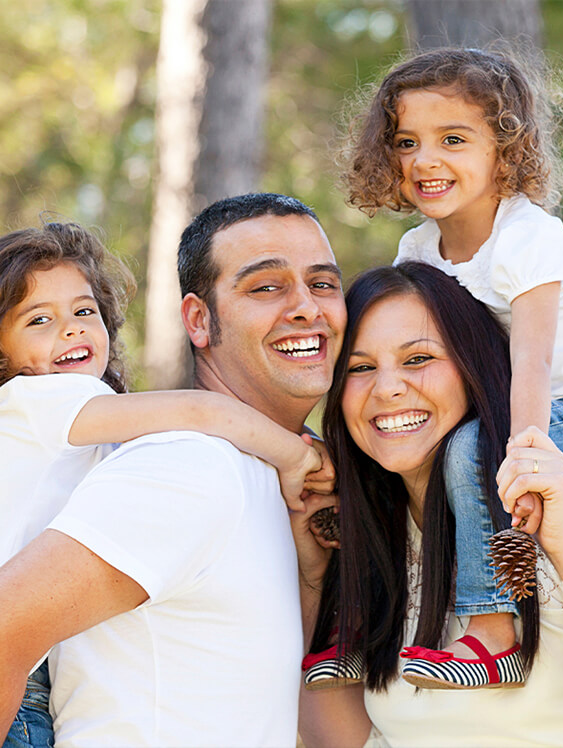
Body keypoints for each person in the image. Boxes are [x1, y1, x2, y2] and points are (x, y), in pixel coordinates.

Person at [0, 193, 346, 747]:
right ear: (198, 319)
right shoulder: (189, 466)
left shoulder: (250, 474)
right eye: (267, 286)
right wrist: (295, 453)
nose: (307, 306)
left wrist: (309, 573)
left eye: (324, 283)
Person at [332, 46, 563, 686]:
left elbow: (531, 362)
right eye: (405, 142)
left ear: (505, 150)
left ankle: (495, 628)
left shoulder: (529, 240)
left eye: (453, 138)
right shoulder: (418, 247)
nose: (424, 160)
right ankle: (364, 629)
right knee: (392, 455)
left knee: (473, 447)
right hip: (507, 403)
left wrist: (523, 455)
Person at [296, 262, 563, 748]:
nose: (387, 388)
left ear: (474, 366)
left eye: (418, 359)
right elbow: (346, 741)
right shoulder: (375, 540)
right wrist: (313, 571)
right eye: (359, 367)